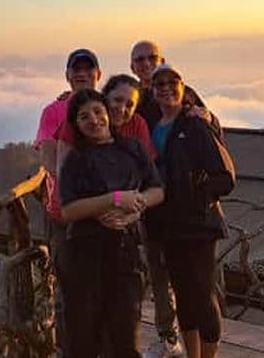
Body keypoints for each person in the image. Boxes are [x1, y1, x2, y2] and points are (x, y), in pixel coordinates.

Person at [130, 41, 220, 357]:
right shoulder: (136, 100)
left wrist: (196, 199)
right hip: (158, 213)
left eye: (151, 58)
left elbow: (216, 147)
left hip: (193, 219)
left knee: (200, 292)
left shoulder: (187, 101)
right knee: (166, 279)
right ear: (132, 67)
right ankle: (169, 338)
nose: (145, 64)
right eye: (139, 59)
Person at [59, 89, 165, 357]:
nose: (93, 120)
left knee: (125, 334)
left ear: (107, 112)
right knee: (83, 337)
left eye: (97, 111)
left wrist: (135, 208)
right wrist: (114, 199)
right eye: (84, 117)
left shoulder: (132, 149)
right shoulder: (75, 159)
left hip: (125, 251)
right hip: (84, 254)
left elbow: (157, 190)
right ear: (76, 125)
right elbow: (68, 210)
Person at [145, 64, 235, 358]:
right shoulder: (153, 125)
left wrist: (195, 198)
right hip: (167, 225)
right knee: (183, 295)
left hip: (198, 226)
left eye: (172, 82)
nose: (166, 88)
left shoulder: (195, 125)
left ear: (184, 87)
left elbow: (225, 177)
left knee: (203, 296)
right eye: (159, 84)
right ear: (151, 91)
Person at [33, 48, 102, 355]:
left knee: (102, 285)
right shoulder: (54, 111)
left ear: (98, 75)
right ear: (67, 75)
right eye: (76, 70)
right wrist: (72, 185)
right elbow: (48, 154)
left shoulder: (106, 108)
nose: (82, 74)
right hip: (64, 213)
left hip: (102, 214)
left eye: (88, 69)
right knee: (68, 289)